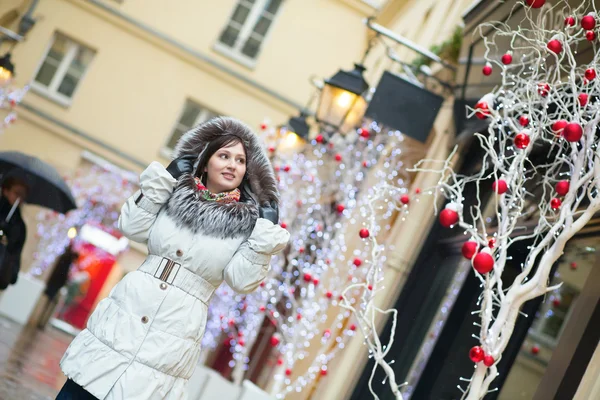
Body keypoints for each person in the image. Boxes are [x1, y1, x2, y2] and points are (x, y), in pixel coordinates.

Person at [56, 117, 290, 400]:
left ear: (246, 171)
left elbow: (242, 280)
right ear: (205, 163)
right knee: (82, 388)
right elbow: (131, 227)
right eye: (224, 156)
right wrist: (163, 181)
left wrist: (264, 234)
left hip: (175, 330)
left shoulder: (247, 226)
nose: (232, 164)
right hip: (128, 312)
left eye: (240, 161)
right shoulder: (173, 192)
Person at [0, 172, 29, 291]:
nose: (19, 199)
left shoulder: (19, 225)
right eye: (17, 193)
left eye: (22, 196)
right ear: (5, 191)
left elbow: (15, 253)